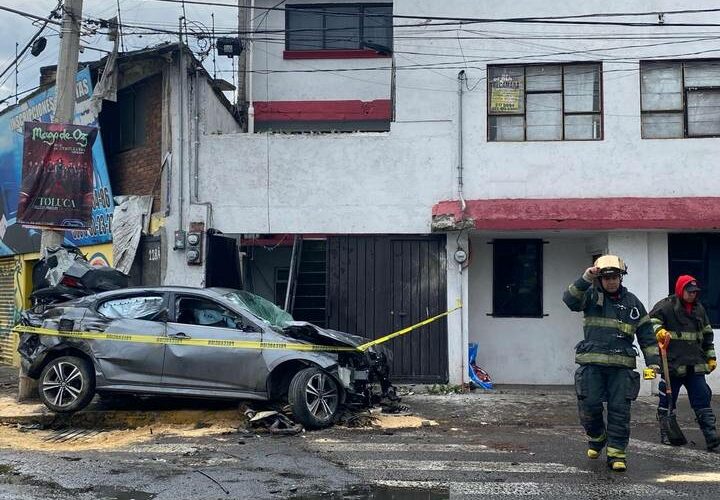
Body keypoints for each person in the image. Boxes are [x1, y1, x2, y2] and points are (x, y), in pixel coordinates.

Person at [563, 255, 658, 471]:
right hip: (592, 364)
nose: (611, 282)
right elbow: (569, 300)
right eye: (607, 278)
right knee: (589, 405)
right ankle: (597, 437)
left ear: (621, 278)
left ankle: (617, 454)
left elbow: (646, 334)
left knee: (619, 410)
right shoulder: (591, 297)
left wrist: (653, 362)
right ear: (600, 280)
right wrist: (586, 278)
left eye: (615, 277)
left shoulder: (633, 303)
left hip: (621, 367)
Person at [650, 275, 719, 451]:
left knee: (702, 398)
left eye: (695, 292)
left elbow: (707, 335)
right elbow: (650, 321)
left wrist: (711, 357)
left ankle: (711, 437)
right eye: (689, 292)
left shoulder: (699, 309)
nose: (693, 295)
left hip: (695, 365)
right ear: (681, 290)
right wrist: (659, 330)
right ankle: (667, 434)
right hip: (673, 365)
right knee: (667, 401)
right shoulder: (666, 306)